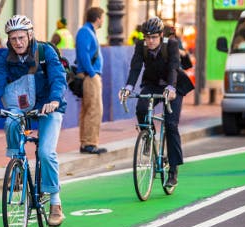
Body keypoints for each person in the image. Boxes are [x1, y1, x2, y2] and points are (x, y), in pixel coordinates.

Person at [0, 15, 68, 227]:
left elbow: (58, 78)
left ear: (30, 35)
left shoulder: (45, 52)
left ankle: (55, 203)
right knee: (10, 121)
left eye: (21, 37)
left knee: (46, 153)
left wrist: (55, 100)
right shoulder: (7, 57)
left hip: (49, 106)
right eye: (13, 39)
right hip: (23, 107)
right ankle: (18, 165)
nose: (18, 42)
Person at [118, 17, 194, 187]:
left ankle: (173, 171)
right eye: (147, 37)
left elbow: (174, 66)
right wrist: (128, 87)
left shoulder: (171, 44)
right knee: (141, 108)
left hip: (173, 86)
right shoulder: (141, 46)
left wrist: (172, 88)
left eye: (153, 37)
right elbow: (135, 68)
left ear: (160, 35)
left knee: (171, 124)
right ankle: (149, 138)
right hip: (152, 84)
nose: (150, 41)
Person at [75, 7, 107, 155]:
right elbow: (83, 55)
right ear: (98, 18)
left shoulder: (88, 32)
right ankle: (89, 143)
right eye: (102, 17)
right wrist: (92, 73)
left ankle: (87, 142)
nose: (103, 20)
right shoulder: (85, 32)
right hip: (90, 76)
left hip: (90, 75)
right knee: (94, 110)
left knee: (89, 109)